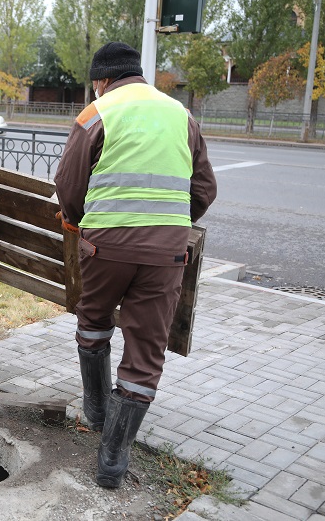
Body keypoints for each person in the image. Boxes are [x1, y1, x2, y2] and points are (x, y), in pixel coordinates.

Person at [53, 42, 217, 488]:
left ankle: (96, 409)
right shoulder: (181, 115)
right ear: (137, 74)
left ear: (101, 81)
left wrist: (74, 220)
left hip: (105, 248)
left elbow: (68, 184)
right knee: (146, 356)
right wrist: (170, 227)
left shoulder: (97, 112)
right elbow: (204, 189)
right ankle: (113, 459)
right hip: (166, 254)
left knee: (93, 319)